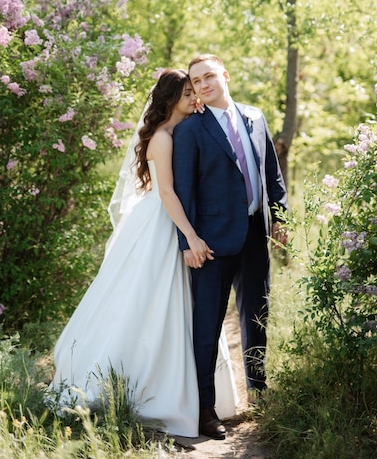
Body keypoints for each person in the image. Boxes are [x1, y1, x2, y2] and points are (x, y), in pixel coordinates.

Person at [46, 68, 238, 438]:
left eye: (193, 91)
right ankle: (142, 393)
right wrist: (192, 237)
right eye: (186, 93)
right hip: (163, 225)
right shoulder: (164, 138)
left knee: (181, 308)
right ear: (169, 100)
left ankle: (196, 397)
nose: (194, 97)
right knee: (149, 303)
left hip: (171, 219)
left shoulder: (180, 130)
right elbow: (167, 193)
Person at [172, 54, 288, 440]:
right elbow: (182, 191)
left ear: (225, 75)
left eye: (208, 77)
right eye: (195, 80)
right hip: (210, 243)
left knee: (257, 317)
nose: (203, 85)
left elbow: (272, 173)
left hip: (255, 235)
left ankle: (258, 390)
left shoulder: (255, 116)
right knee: (206, 326)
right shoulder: (190, 130)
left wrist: (281, 217)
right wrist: (187, 242)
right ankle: (206, 410)